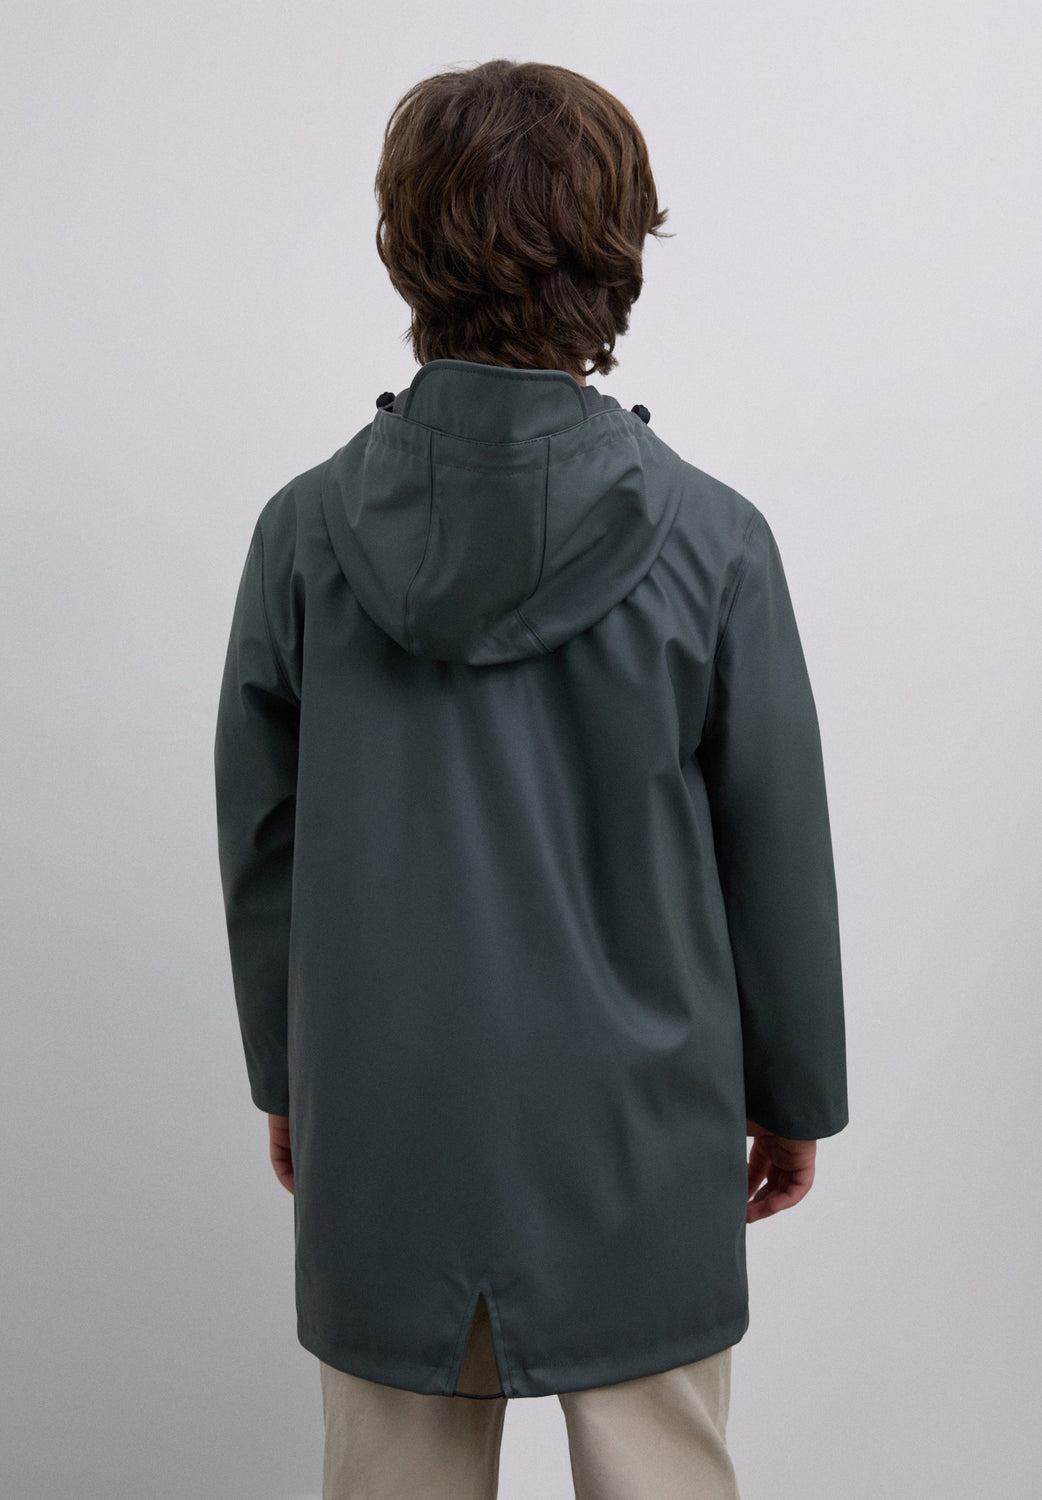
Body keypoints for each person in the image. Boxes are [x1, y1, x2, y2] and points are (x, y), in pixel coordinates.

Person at [213, 57, 849, 1500]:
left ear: (405, 243)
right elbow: (774, 841)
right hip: (644, 1130)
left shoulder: (303, 535)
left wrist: (290, 1073)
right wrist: (793, 1090)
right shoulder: (713, 540)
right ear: (616, 249)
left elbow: (264, 841)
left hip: (386, 1119)